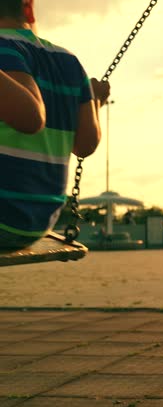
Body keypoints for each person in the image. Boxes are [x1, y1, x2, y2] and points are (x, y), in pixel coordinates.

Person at [0, 0, 110, 249]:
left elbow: (30, 116)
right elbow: (84, 145)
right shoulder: (69, 61)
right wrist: (94, 102)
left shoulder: (3, 49)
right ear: (28, 9)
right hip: (36, 225)